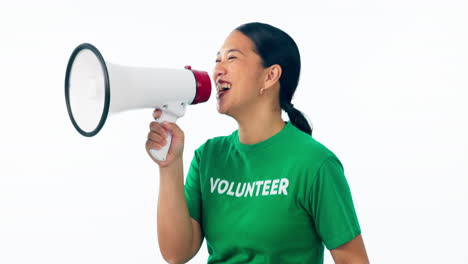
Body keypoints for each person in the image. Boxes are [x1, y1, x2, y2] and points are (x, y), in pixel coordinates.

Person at [146, 22, 369, 264]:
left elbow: (353, 259)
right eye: (217, 60)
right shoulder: (209, 156)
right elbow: (176, 253)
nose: (217, 70)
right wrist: (169, 166)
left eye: (231, 58)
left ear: (270, 75)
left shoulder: (315, 164)